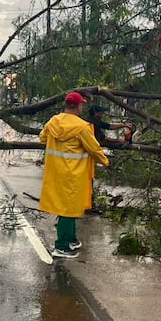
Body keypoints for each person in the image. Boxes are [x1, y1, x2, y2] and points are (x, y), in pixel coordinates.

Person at [39, 91, 109, 259]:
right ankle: (61, 246)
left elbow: (43, 138)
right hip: (73, 173)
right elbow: (94, 148)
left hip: (56, 172)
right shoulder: (81, 127)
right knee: (68, 209)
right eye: (81, 105)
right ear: (78, 106)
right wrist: (106, 161)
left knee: (68, 207)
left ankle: (71, 239)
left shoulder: (53, 122)